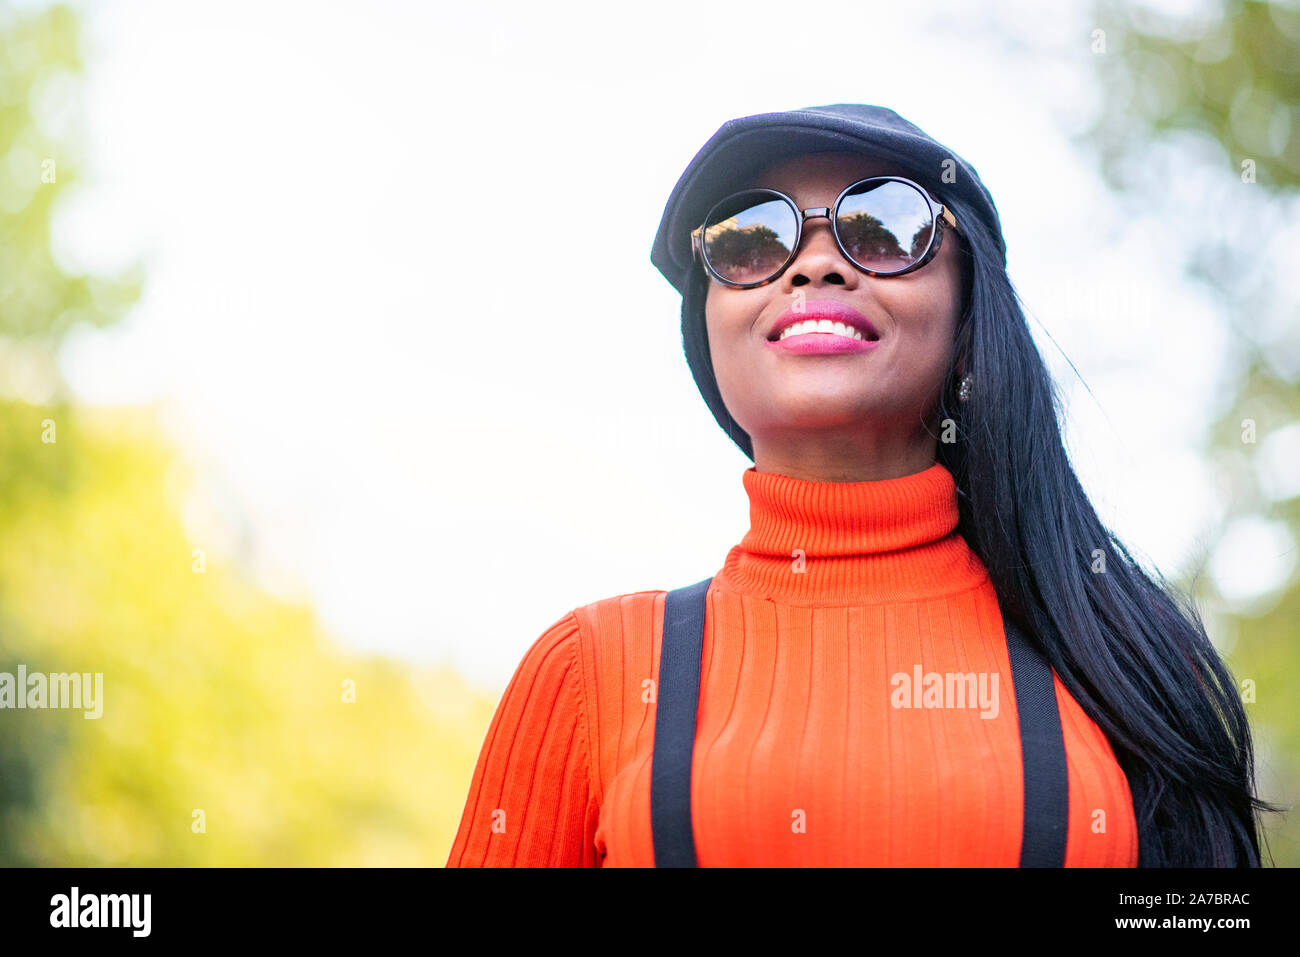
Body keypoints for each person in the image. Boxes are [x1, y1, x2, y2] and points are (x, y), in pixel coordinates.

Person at [445, 104, 1274, 867]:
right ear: (709, 325)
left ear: (967, 308)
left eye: (884, 228)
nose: (812, 265)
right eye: (749, 239)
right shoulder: (592, 670)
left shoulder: (1117, 663)